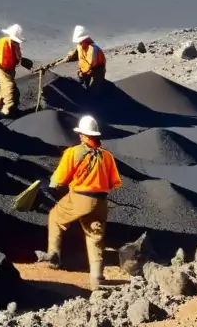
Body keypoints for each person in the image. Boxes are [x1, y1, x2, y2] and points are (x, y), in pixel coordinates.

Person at [36, 115, 122, 289]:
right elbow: (114, 183)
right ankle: (97, 279)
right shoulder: (107, 156)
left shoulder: (73, 153)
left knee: (55, 217)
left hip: (79, 197)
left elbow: (58, 180)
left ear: (83, 135)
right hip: (101, 202)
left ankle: (54, 256)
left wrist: (49, 185)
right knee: (95, 237)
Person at [0, 24, 32, 117]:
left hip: (9, 68)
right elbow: (2, 59)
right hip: (2, 67)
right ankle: (6, 111)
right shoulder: (4, 42)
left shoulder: (14, 44)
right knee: (9, 86)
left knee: (1, 89)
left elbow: (17, 56)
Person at [65, 26, 106, 91]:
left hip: (97, 69)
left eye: (81, 41)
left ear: (86, 40)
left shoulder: (93, 49)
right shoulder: (80, 45)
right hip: (85, 69)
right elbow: (75, 54)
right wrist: (67, 58)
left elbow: (90, 64)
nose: (80, 43)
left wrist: (82, 72)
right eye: (79, 42)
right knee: (83, 81)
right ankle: (84, 83)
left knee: (95, 90)